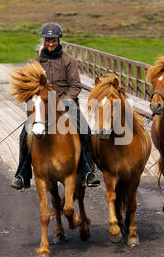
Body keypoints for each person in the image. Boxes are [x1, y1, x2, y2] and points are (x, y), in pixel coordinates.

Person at [11, 22, 101, 190]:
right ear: (43, 41)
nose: (50, 44)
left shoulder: (68, 60)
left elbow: (76, 86)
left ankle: (88, 171)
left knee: (84, 130)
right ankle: (22, 174)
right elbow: (27, 88)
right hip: (43, 107)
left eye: (53, 40)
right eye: (47, 40)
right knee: (24, 134)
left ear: (59, 40)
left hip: (66, 105)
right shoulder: (36, 62)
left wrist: (65, 101)